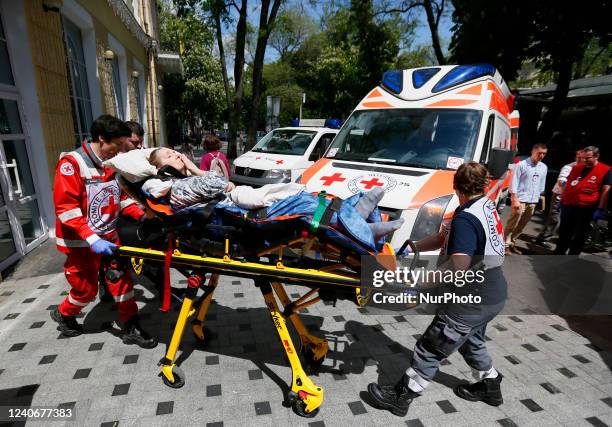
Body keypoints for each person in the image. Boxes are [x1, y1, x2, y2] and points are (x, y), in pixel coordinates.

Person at [367, 162, 507, 417]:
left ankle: (401, 397)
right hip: (493, 293)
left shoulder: (466, 217)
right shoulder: (482, 206)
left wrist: (421, 283)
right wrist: (411, 247)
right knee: (471, 341)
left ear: (455, 186)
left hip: (470, 298)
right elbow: (444, 237)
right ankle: (490, 385)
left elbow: (459, 264)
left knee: (432, 346)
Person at [143, 147, 404, 248]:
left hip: (239, 210)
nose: (177, 155)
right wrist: (192, 165)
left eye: (175, 152)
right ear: (159, 167)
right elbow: (218, 182)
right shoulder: (171, 186)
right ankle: (362, 228)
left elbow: (219, 185)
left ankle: (360, 220)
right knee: (305, 207)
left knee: (312, 197)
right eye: (169, 156)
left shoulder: (181, 183)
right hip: (242, 219)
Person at [51, 115, 157, 348]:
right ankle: (65, 314)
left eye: (123, 145)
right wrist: (91, 239)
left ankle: (131, 327)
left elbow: (118, 200)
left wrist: (143, 216)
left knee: (122, 282)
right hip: (80, 243)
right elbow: (66, 210)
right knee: (85, 291)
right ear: (101, 139)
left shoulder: (112, 165)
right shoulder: (72, 164)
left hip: (108, 238)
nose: (120, 151)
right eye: (117, 145)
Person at [554, 146, 611, 255]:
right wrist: (562, 199)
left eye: (588, 158)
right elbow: (569, 184)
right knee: (564, 232)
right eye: (583, 158)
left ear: (596, 156)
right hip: (569, 204)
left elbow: (606, 190)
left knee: (579, 235)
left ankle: (572, 257)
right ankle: (558, 253)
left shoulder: (605, 170)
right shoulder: (577, 168)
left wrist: (601, 208)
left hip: (586, 207)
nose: (584, 160)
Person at [504, 143, 548, 254]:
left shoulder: (543, 167)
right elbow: (513, 183)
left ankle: (512, 243)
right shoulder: (522, 165)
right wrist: (514, 199)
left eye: (544, 154)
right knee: (512, 223)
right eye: (539, 153)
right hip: (520, 199)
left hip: (532, 201)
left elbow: (541, 185)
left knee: (522, 225)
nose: (541, 156)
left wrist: (540, 199)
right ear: (533, 151)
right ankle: (504, 245)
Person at [535, 150, 584, 248]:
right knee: (555, 219)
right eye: (577, 157)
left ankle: (559, 239)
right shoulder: (568, 167)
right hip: (559, 196)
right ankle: (542, 238)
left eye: (581, 157)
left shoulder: (584, 169)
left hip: (572, 199)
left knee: (568, 221)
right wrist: (574, 188)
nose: (579, 159)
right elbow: (561, 181)